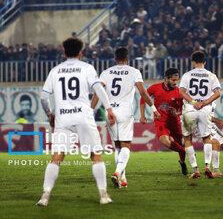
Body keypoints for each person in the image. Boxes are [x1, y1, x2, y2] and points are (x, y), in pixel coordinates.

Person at [37, 37, 116, 206]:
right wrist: (109, 108)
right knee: (95, 155)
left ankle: (45, 196)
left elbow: (44, 96)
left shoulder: (55, 71)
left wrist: (49, 114)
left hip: (63, 118)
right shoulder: (86, 68)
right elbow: (98, 88)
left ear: (64, 53)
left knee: (56, 157)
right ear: (81, 52)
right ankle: (103, 195)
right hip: (83, 116)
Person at [91, 47, 160, 188]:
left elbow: (98, 91)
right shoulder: (134, 72)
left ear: (114, 59)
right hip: (125, 112)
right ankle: (117, 173)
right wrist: (153, 108)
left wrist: (90, 109)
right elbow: (142, 92)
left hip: (110, 112)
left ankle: (122, 179)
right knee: (126, 145)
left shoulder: (106, 73)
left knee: (117, 146)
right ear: (127, 58)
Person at [179, 51, 221, 179]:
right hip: (205, 110)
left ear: (193, 62)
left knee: (187, 139)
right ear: (205, 62)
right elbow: (217, 93)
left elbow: (181, 91)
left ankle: (195, 170)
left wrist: (193, 102)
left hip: (190, 109)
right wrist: (204, 102)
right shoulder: (211, 75)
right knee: (207, 138)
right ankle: (207, 167)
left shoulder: (187, 75)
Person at [139, 68, 188, 175]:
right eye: (173, 80)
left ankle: (182, 161)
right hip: (160, 120)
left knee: (181, 143)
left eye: (177, 80)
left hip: (174, 121)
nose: (175, 83)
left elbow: (182, 109)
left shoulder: (179, 92)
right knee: (164, 141)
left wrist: (178, 113)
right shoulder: (155, 88)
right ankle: (183, 151)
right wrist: (142, 115)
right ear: (166, 79)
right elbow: (143, 98)